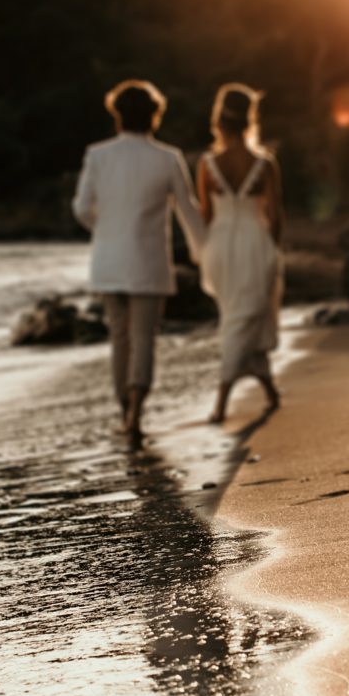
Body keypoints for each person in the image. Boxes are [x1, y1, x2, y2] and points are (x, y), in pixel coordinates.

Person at [72, 79, 205, 446]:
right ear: (154, 117)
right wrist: (203, 252)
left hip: (109, 260)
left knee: (120, 337)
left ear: (117, 116)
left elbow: (81, 209)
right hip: (148, 261)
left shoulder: (97, 155)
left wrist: (107, 228)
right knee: (144, 337)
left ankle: (124, 412)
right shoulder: (168, 157)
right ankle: (136, 413)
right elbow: (188, 211)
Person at [196, 83, 284, 424]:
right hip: (255, 242)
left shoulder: (206, 164)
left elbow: (205, 215)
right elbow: (276, 217)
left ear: (219, 120)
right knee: (245, 317)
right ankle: (223, 401)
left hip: (219, 246)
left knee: (240, 316)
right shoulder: (265, 164)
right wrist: (271, 252)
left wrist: (201, 252)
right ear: (249, 120)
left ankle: (264, 391)